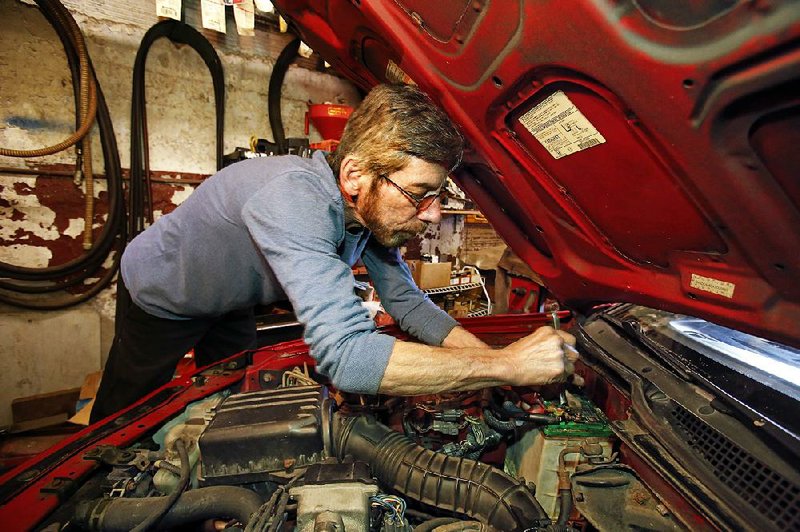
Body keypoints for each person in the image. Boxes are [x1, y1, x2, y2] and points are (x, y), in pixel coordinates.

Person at [91, 84, 576, 422]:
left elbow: (408, 305)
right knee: (129, 412)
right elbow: (347, 357)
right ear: (354, 176)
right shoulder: (292, 198)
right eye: (419, 194)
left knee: (233, 402)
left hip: (232, 303)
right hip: (163, 293)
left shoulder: (365, 211)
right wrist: (507, 366)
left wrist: (496, 359)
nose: (430, 215)